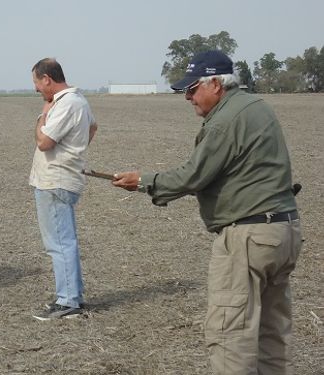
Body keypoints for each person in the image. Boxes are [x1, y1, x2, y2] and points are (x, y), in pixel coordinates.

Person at [112, 50, 302, 374]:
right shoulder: (257, 107)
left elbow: (193, 174)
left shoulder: (226, 120)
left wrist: (144, 182)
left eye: (191, 88)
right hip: (283, 232)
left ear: (215, 83)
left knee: (230, 337)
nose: (187, 97)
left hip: (248, 238)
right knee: (270, 336)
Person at [29, 58, 98, 320]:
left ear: (47, 79)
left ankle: (67, 300)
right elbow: (93, 127)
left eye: (37, 82)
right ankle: (73, 295)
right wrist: (75, 152)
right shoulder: (79, 100)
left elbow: (44, 142)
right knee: (64, 240)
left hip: (54, 180)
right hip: (64, 177)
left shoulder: (65, 103)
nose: (36, 89)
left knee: (58, 242)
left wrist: (41, 118)